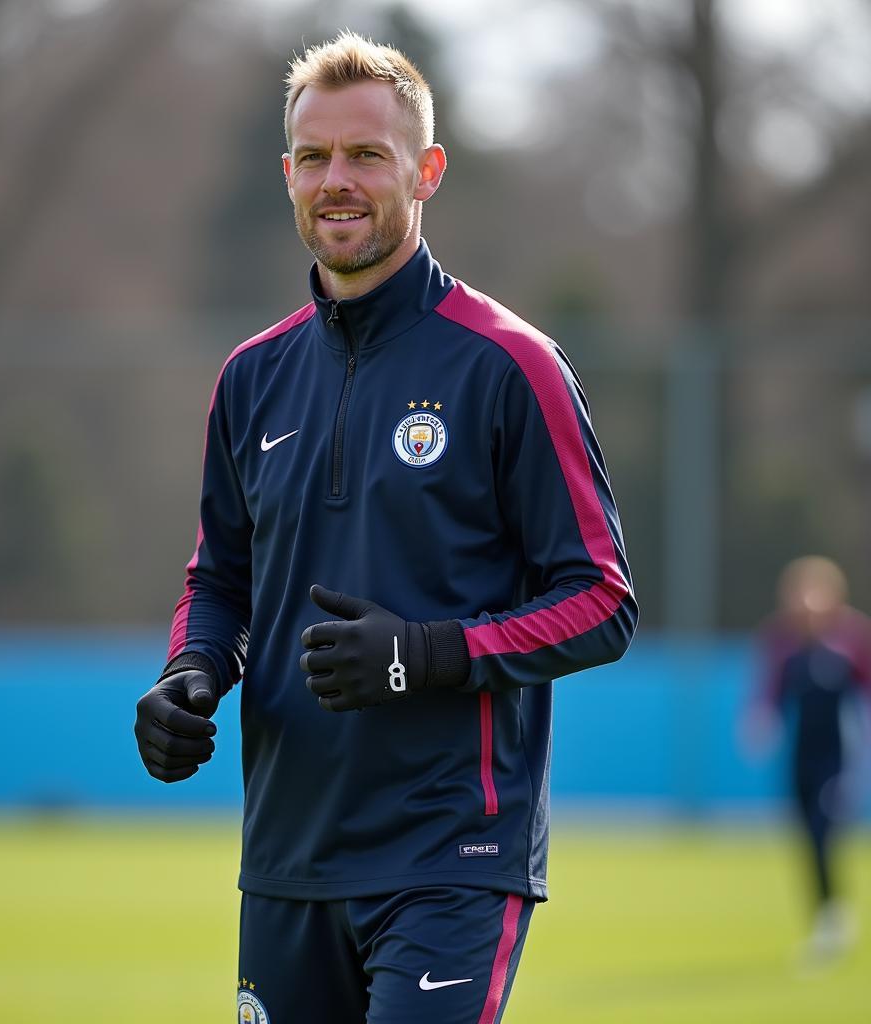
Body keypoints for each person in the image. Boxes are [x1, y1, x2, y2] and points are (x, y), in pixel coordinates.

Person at [134, 31, 637, 1022]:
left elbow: (601, 602)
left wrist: (427, 653)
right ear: (286, 174)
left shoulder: (509, 365)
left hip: (450, 855)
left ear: (426, 171)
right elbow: (221, 579)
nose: (337, 179)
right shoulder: (251, 377)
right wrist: (190, 674)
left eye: (366, 154)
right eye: (315, 156)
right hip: (286, 858)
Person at [747, 556, 871, 963]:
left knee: (823, 830)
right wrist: (761, 721)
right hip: (801, 754)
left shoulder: (851, 637)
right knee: (805, 837)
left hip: (838, 757)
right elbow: (772, 692)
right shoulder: (782, 640)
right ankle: (826, 912)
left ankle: (831, 919)